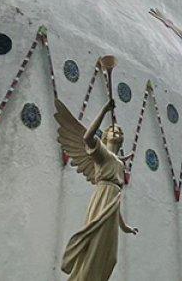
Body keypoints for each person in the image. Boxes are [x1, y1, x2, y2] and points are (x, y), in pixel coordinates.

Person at [54, 98, 139, 281]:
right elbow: (86, 137)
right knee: (93, 250)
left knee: (111, 258)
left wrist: (124, 227)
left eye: (120, 131)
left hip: (110, 205)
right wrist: (104, 110)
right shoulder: (102, 154)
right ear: (106, 136)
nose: (117, 132)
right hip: (102, 201)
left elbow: (115, 202)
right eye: (113, 130)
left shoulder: (117, 163)